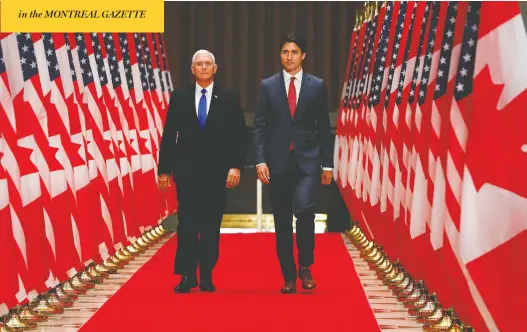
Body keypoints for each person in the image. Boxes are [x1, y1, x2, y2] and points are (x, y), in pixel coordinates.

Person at [158, 50, 246, 293]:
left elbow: (239, 135)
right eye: (200, 64)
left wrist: (236, 166)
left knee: (210, 225)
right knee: (186, 224)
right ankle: (187, 275)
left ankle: (206, 274)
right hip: (187, 173)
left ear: (215, 69)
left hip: (217, 173)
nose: (204, 67)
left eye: (208, 64)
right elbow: (169, 135)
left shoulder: (229, 97)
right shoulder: (180, 97)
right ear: (192, 69)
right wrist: (164, 169)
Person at [252, 33, 333, 294]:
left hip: (308, 161)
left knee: (306, 210)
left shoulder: (317, 86)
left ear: (303, 55)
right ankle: (288, 273)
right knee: (282, 218)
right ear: (280, 55)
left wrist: (328, 165)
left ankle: (305, 265)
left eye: (294, 52)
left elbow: (324, 127)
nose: (289, 56)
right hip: (277, 163)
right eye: (285, 51)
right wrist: (260, 160)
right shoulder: (267, 86)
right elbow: (260, 127)